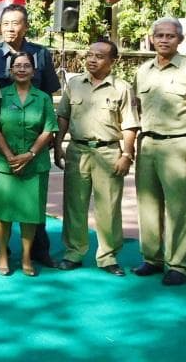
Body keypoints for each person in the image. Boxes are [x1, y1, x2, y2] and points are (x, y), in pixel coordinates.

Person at [133, 17, 186, 286]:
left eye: (170, 36)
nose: (164, 40)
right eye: (160, 35)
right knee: (147, 203)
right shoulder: (143, 71)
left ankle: (178, 264)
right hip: (147, 144)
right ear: (152, 38)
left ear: (180, 40)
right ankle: (152, 258)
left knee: (178, 207)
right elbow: (137, 108)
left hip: (178, 144)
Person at [0, 4, 61, 267]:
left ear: (25, 26)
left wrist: (47, 141)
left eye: (15, 23)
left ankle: (38, 249)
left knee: (34, 198)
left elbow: (49, 94)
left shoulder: (40, 54)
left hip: (34, 138)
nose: (10, 28)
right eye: (5, 23)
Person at [53, 40, 139, 276]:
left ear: (112, 61)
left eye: (99, 56)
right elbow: (63, 116)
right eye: (89, 55)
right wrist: (58, 145)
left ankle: (108, 256)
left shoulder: (122, 88)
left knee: (109, 207)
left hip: (108, 152)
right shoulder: (74, 84)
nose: (92, 59)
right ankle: (73, 253)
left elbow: (130, 124)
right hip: (78, 150)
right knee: (74, 205)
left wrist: (127, 154)